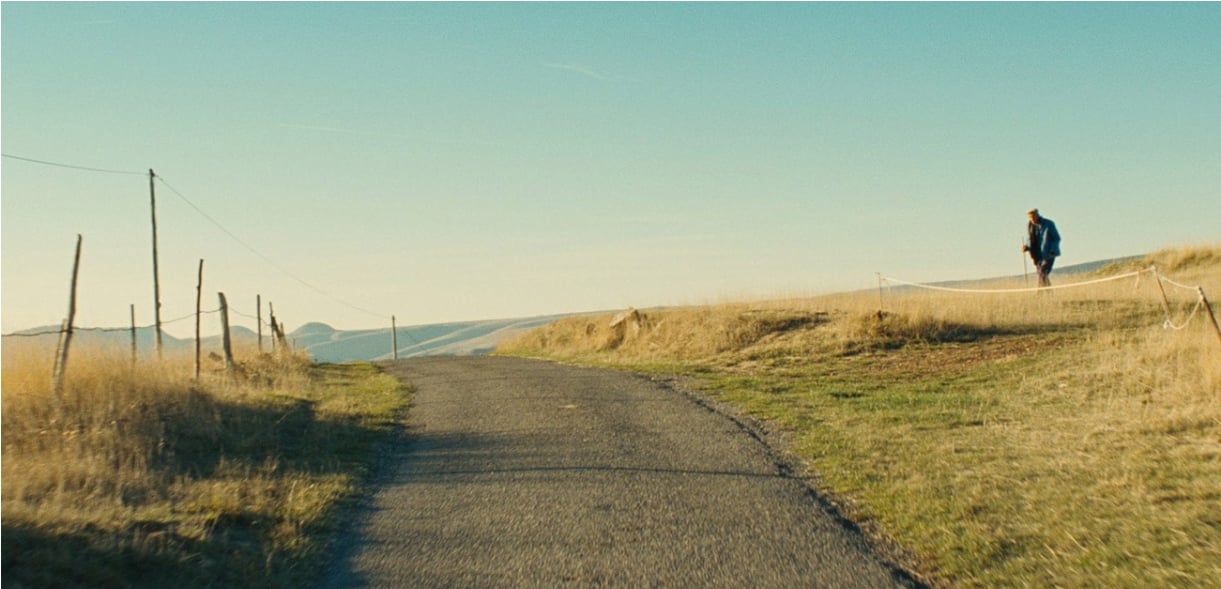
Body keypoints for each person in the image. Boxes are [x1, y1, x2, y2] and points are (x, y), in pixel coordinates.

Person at [1021, 208, 1061, 287]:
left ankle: (1040, 293)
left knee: (1043, 272)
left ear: (1037, 215)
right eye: (1030, 217)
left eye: (1033, 217)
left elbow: (1056, 238)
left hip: (1048, 253)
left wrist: (1052, 250)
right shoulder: (1030, 226)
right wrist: (1026, 247)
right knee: (1041, 274)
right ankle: (1048, 293)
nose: (1032, 219)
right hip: (1036, 255)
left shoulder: (1048, 224)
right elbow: (1029, 239)